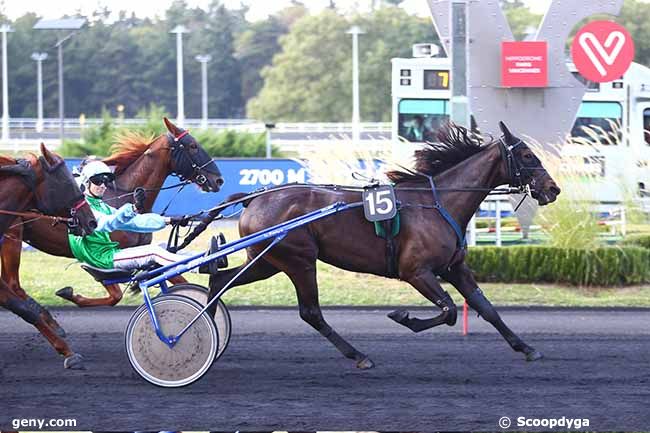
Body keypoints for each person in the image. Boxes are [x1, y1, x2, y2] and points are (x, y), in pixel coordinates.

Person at [68, 160, 216, 273]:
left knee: (164, 247)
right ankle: (198, 267)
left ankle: (207, 257)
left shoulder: (102, 206)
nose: (103, 185)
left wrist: (169, 220)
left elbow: (135, 222)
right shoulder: (84, 208)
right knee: (153, 252)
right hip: (102, 259)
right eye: (98, 181)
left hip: (110, 254)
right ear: (86, 182)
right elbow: (107, 223)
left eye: (105, 181)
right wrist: (133, 208)